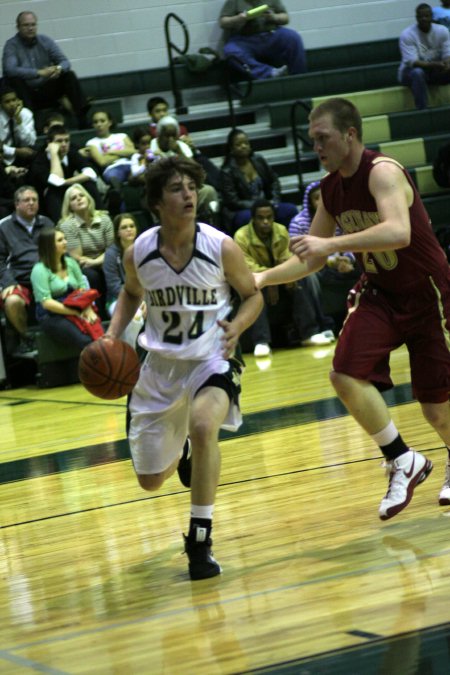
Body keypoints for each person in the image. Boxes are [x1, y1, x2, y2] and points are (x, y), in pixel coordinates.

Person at [254, 97, 450, 520]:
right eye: (312, 141)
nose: (316, 148)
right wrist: (262, 278)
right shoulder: (330, 189)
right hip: (381, 291)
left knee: (436, 405)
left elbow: (398, 232)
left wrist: (333, 243)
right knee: (344, 373)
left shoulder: (383, 173)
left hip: (427, 291)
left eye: (323, 138)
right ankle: (402, 459)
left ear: (350, 134)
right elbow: (312, 257)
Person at [105, 156, 262, 580]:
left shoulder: (220, 246)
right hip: (159, 367)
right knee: (151, 480)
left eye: (191, 186)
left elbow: (253, 296)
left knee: (204, 424)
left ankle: (199, 539)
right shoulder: (139, 251)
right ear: (157, 202)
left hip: (212, 358)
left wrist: (238, 327)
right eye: (176, 188)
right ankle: (184, 449)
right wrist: (111, 334)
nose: (188, 194)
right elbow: (130, 295)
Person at [234, 198, 335, 357]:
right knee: (254, 287)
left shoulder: (280, 230)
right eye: (261, 218)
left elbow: (287, 257)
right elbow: (247, 266)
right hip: (256, 278)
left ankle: (309, 333)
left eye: (269, 217)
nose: (266, 222)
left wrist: (278, 277)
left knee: (302, 278)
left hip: (274, 277)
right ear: (253, 219)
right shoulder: (241, 236)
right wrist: (271, 279)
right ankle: (261, 341)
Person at [2, 11, 90, 129]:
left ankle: (83, 118)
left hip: (46, 89)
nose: (30, 28)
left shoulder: (45, 40)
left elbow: (65, 62)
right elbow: (10, 70)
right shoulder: (11, 45)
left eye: (33, 25)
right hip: (26, 93)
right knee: (14, 80)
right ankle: (32, 126)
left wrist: (58, 69)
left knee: (69, 75)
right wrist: (38, 72)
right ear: (18, 27)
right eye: (26, 25)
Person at [0, 185, 54, 355]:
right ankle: (27, 339)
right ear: (16, 204)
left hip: (47, 276)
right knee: (12, 301)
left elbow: (58, 251)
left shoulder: (46, 222)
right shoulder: (3, 226)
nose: (31, 203)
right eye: (26, 200)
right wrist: (9, 282)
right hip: (19, 279)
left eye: (34, 200)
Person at [30, 227, 100, 351]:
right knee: (86, 340)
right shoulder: (39, 270)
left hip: (78, 306)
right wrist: (76, 313)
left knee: (100, 335)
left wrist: (88, 309)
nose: (65, 242)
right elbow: (47, 303)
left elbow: (83, 289)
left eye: (65, 239)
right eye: (60, 240)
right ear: (49, 245)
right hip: (52, 315)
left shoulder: (70, 262)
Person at [220, 128, 298, 233]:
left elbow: (274, 181)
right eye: (238, 144)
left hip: (267, 205)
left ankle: (287, 244)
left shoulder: (258, 160)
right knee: (245, 218)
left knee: (290, 210)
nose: (243, 146)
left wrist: (274, 200)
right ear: (231, 149)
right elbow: (233, 202)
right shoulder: (227, 171)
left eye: (246, 143)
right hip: (245, 210)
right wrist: (257, 206)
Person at [58, 183, 114, 316]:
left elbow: (112, 250)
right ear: (69, 206)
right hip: (81, 266)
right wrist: (97, 261)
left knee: (113, 268)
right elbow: (78, 257)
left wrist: (96, 262)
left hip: (103, 260)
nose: (78, 199)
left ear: (88, 198)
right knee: (91, 276)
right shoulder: (67, 225)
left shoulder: (104, 219)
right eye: (73, 198)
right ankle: (100, 316)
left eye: (81, 195)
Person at [150, 116, 219, 223]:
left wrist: (179, 151)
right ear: (159, 136)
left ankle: (211, 223)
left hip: (185, 187)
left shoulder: (182, 146)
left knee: (209, 190)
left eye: (173, 136)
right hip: (163, 188)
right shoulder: (152, 146)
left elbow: (195, 171)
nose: (170, 140)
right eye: (167, 136)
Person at [28, 124, 102, 223]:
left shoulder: (71, 152)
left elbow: (91, 173)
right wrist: (54, 154)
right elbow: (57, 181)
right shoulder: (39, 160)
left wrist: (67, 182)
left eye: (67, 140)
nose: (64, 144)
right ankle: (61, 226)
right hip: (46, 200)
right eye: (59, 141)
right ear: (49, 143)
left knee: (89, 185)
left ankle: (101, 218)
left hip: (67, 190)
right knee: (53, 193)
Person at [219, 0, 307, 79]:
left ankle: (299, 75)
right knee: (230, 50)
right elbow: (223, 22)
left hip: (272, 35)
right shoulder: (234, 1)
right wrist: (238, 19)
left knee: (293, 37)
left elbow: (285, 18)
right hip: (245, 39)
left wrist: (274, 17)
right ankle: (269, 73)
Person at [103, 213, 145, 347]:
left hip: (146, 297)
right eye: (124, 227)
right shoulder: (110, 254)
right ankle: (129, 355)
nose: (129, 229)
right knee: (135, 317)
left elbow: (153, 279)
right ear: (117, 233)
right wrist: (137, 300)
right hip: (117, 299)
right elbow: (113, 285)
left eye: (132, 226)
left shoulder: (145, 249)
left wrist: (145, 300)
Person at [398, 3, 450, 110]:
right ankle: (422, 110)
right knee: (418, 72)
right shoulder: (407, 34)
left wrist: (447, 65)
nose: (424, 19)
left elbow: (448, 54)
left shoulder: (442, 31)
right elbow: (413, 62)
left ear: (432, 17)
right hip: (409, 73)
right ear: (416, 18)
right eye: (420, 16)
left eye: (426, 16)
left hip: (434, 71)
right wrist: (435, 64)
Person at [0, 85, 36, 167]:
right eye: (7, 101)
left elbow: (30, 142)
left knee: (36, 154)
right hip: (3, 157)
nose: (12, 104)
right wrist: (16, 151)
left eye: (14, 100)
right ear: (1, 104)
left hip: (23, 153)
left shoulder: (26, 114)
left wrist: (19, 121)